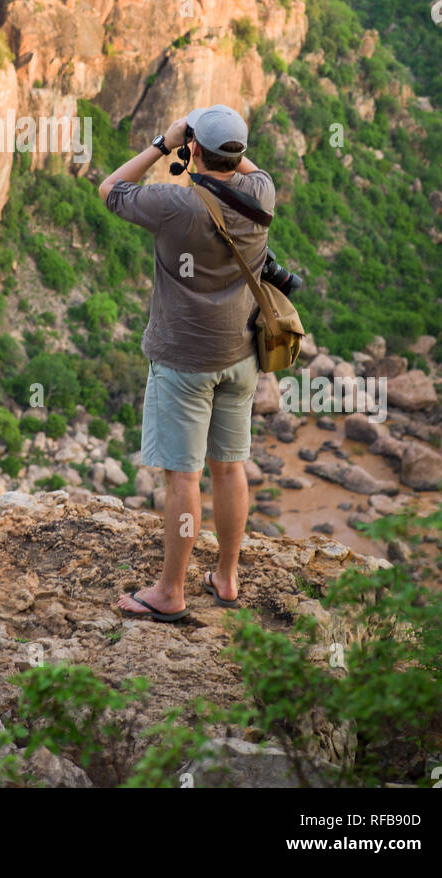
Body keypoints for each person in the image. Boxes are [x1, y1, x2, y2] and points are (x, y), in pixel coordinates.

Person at [97, 104, 275, 621]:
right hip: (241, 359)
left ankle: (170, 592)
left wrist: (163, 143)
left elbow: (110, 188)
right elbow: (246, 167)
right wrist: (216, 150)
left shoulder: (173, 205)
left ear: (193, 147)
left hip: (183, 363)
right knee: (230, 467)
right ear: (239, 153)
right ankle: (226, 576)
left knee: (183, 478)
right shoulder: (262, 193)